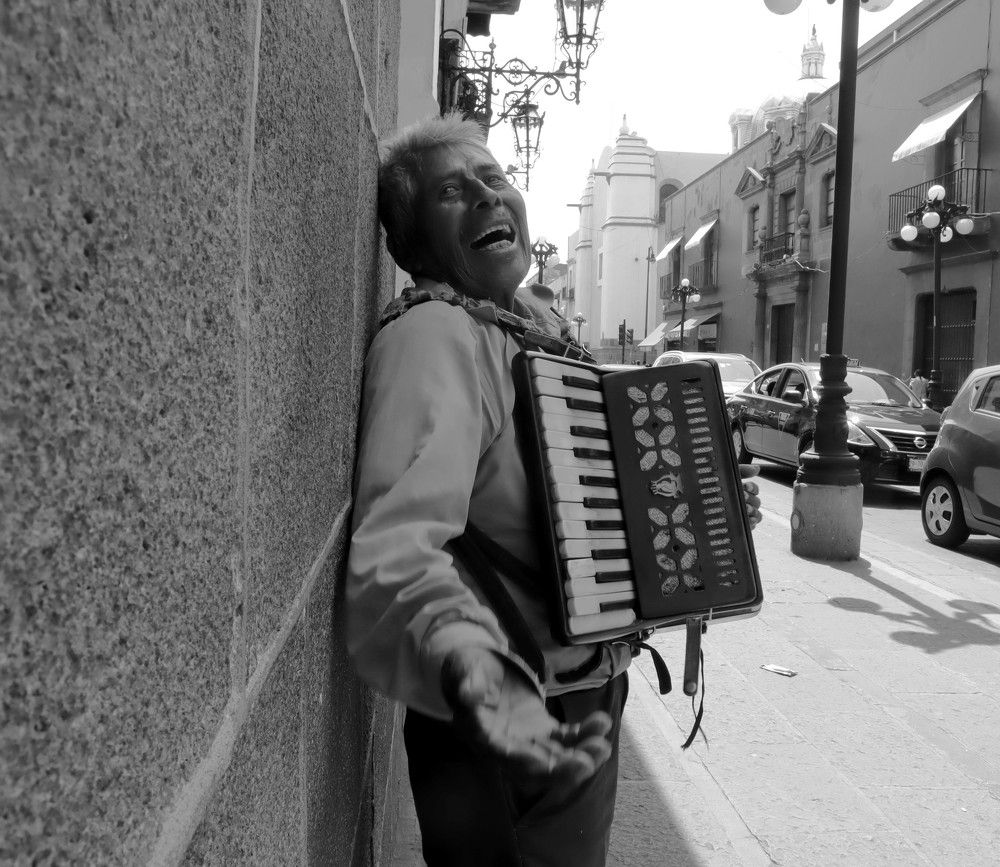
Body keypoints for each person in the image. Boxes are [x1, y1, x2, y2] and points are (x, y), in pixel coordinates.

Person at [345, 112, 763, 867]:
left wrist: (710, 517)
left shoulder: (531, 320)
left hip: (585, 688)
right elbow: (396, 558)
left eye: (494, 177)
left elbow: (592, 498)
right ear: (411, 240)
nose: (484, 195)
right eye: (450, 190)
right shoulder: (436, 335)